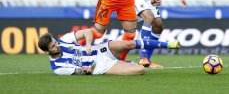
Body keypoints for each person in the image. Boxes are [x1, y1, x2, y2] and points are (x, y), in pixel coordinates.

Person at [37, 28, 180, 75]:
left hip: (100, 50)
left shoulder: (64, 41)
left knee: (129, 43)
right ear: (47, 52)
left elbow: (87, 31)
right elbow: (79, 71)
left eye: (55, 42)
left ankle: (168, 44)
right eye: (53, 47)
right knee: (140, 70)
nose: (57, 46)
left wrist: (87, 44)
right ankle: (127, 63)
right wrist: (86, 69)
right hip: (99, 65)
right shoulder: (58, 68)